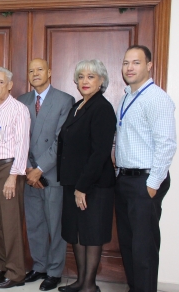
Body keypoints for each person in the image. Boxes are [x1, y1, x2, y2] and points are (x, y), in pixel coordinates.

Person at [115, 45, 176, 292]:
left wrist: (152, 185)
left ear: (149, 66)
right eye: (126, 62)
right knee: (128, 244)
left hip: (145, 181)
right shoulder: (126, 97)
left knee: (144, 248)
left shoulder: (156, 98)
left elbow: (167, 144)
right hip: (125, 179)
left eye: (136, 62)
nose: (129, 67)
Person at [57, 59, 116, 292]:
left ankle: (90, 286)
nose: (85, 81)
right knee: (76, 233)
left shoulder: (102, 108)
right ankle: (81, 281)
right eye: (81, 77)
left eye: (91, 77)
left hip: (94, 185)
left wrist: (82, 186)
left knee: (91, 235)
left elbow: (100, 152)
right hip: (73, 182)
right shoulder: (78, 105)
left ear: (101, 81)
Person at [17, 59, 74, 291]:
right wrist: (30, 169)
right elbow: (20, 139)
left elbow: (62, 140)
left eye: (40, 69)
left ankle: (54, 271)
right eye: (31, 70)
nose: (35, 73)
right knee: (35, 224)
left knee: (55, 226)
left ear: (49, 72)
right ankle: (39, 266)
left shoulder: (64, 100)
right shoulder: (22, 101)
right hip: (28, 174)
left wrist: (40, 169)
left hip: (52, 174)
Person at [0, 66, 30, 289]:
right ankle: (2, 266)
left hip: (9, 170)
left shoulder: (18, 109)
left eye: (0, 82)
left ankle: (16, 272)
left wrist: (13, 176)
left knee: (10, 224)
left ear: (10, 85)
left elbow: (22, 146)